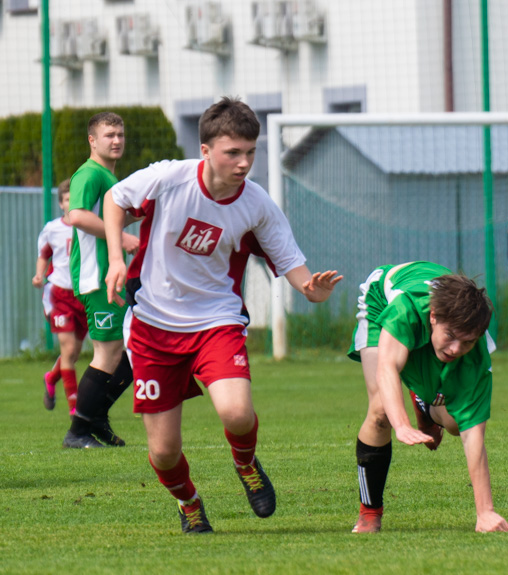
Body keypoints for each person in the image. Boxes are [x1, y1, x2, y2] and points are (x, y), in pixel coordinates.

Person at [103, 96, 342, 534]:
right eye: (233, 152)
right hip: (152, 327)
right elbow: (114, 199)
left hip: (216, 322)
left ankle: (246, 465)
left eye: (250, 151)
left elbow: (293, 266)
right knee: (163, 453)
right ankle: (189, 503)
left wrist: (312, 289)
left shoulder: (257, 204)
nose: (244, 162)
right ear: (206, 150)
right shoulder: (169, 178)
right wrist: (117, 258)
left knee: (236, 412)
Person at [348, 261, 508, 534]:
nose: (457, 349)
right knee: (381, 411)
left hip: (429, 320)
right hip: (381, 301)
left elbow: (474, 434)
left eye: (468, 342)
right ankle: (370, 512)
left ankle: (424, 401)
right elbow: (387, 368)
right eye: (450, 336)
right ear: (434, 316)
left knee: (457, 425)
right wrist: (401, 424)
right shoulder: (405, 311)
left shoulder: (475, 352)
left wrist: (486, 512)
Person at [65, 112, 139, 449]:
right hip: (96, 278)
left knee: (133, 348)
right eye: (109, 134)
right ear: (92, 140)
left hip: (112, 276)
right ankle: (77, 432)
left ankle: (95, 419)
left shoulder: (109, 177)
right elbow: (76, 216)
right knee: (108, 352)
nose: (117, 140)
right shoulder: (89, 173)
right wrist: (120, 239)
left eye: (120, 134)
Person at [32, 179, 87, 415]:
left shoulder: (88, 226)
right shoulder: (53, 229)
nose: (70, 203)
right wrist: (38, 274)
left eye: (74, 199)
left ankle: (51, 378)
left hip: (82, 295)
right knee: (67, 350)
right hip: (58, 294)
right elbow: (44, 254)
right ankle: (74, 408)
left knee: (73, 353)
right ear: (61, 203)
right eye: (67, 199)